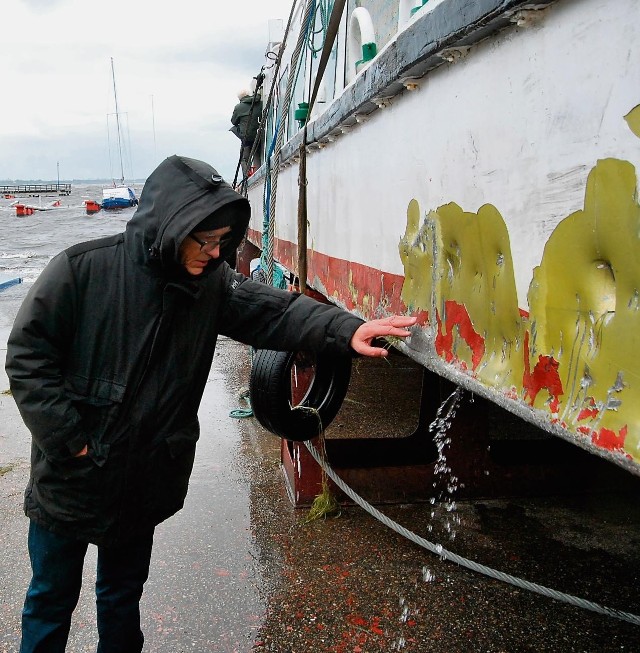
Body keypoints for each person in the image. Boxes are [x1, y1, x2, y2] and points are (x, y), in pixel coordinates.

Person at [5, 154, 416, 653]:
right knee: (50, 600)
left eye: (224, 241)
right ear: (170, 226)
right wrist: (71, 442)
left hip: (143, 477)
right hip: (69, 478)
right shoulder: (79, 270)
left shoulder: (211, 286)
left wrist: (347, 329)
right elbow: (28, 358)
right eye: (205, 240)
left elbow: (276, 313)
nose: (216, 252)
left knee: (120, 596)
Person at [230, 88, 263, 178]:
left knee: (244, 158)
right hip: (259, 134)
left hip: (247, 137)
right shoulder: (260, 103)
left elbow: (234, 122)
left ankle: (247, 174)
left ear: (240, 98)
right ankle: (258, 170)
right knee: (257, 154)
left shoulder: (239, 107)